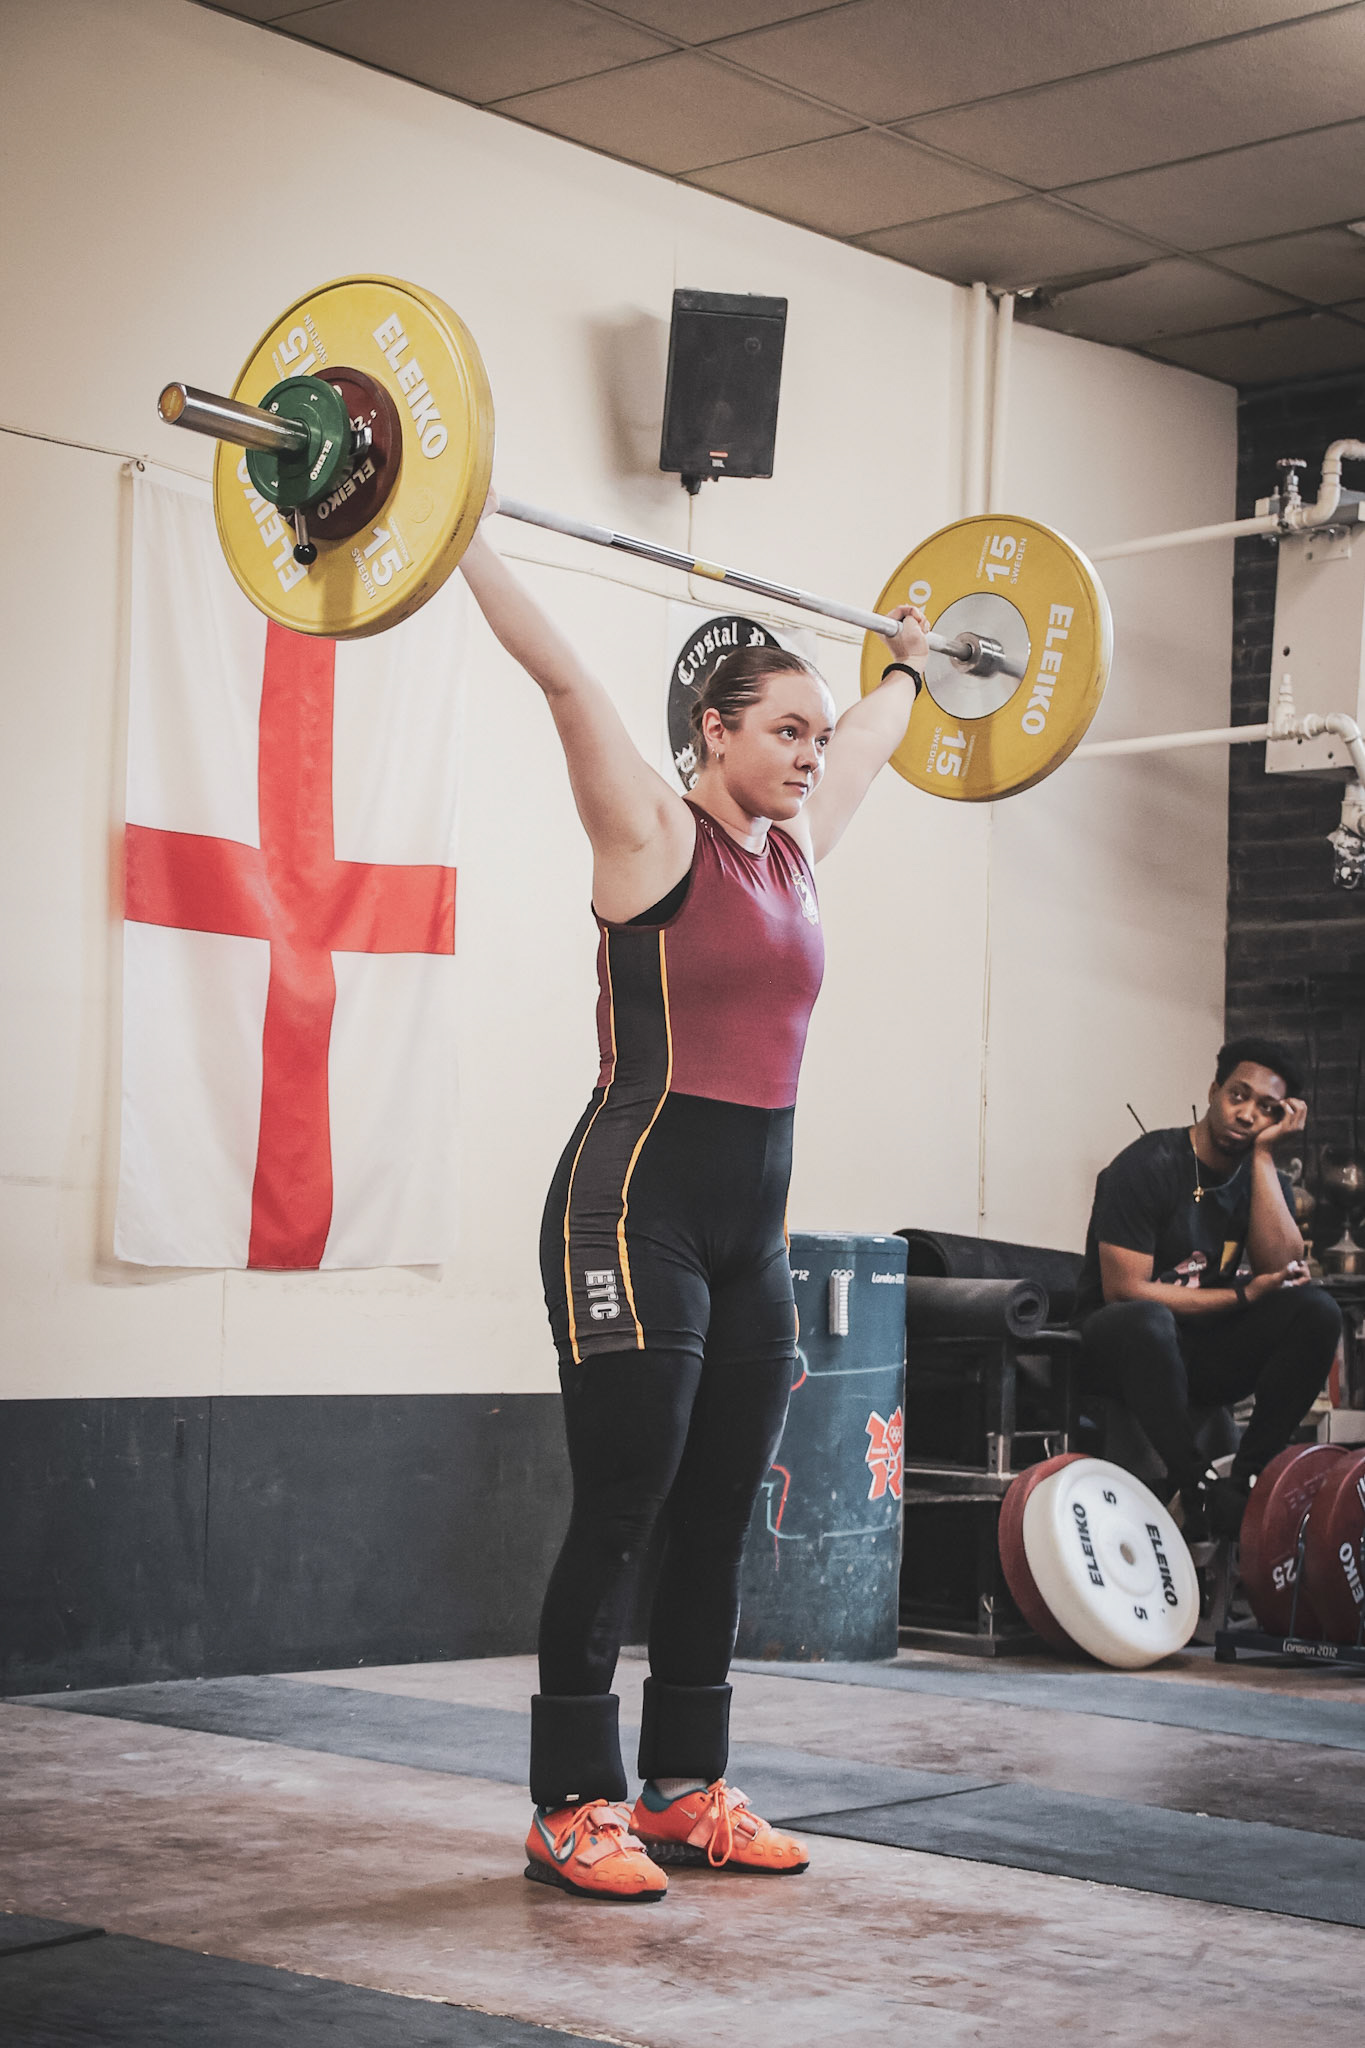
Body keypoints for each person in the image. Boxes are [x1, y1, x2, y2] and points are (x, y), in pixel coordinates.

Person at [459, 493, 928, 1901]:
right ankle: (569, 1805)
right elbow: (563, 678)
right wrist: (455, 529)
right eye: (786, 730)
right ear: (714, 732)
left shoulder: (797, 849)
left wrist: (909, 664)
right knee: (627, 1495)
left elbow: (875, 741)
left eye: (815, 734)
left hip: (749, 1236)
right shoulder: (653, 839)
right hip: (631, 1211)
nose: (811, 753)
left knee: (722, 1505)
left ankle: (680, 1790)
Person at [1074, 1038, 1341, 1538]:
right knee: (1149, 1320)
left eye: (1267, 1108)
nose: (1247, 1114)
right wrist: (1241, 1296)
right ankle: (1194, 1481)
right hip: (1118, 1353)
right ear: (1215, 1090)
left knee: (1317, 1311)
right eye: (1239, 1095)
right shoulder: (1149, 1163)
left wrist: (1264, 1156)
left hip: (1196, 1352)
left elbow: (1283, 1271)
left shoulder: (1262, 1176)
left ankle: (1248, 1479)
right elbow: (1123, 1290)